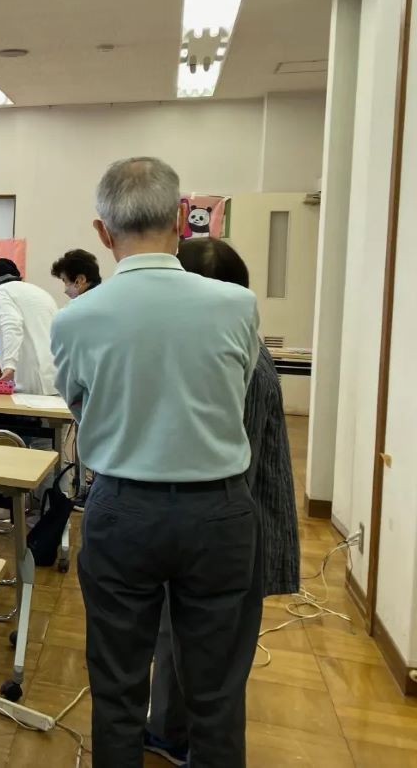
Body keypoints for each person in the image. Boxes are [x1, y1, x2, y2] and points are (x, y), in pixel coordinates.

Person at [51, 157, 262, 767]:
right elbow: (237, 392)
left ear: (102, 232)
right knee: (217, 695)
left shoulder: (75, 319)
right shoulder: (238, 304)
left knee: (117, 690)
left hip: (123, 508)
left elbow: (79, 406)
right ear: (179, 219)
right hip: (220, 510)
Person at [145, 237, 301, 766]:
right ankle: (167, 731)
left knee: (216, 660)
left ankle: (205, 749)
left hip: (229, 526)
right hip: (206, 524)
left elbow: (240, 468)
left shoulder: (239, 363)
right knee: (178, 633)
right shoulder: (226, 347)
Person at [0, 258, 58, 395]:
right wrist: (3, 358)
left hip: (31, 376)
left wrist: (8, 365)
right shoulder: (38, 291)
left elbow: (12, 325)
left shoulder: (0, 291)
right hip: (55, 373)